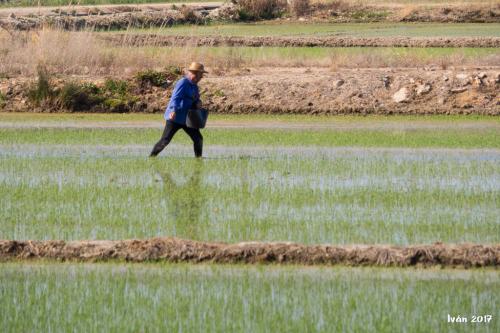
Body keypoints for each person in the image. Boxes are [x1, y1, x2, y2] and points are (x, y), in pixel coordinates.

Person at [150, 62, 208, 158]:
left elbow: (196, 98)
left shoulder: (195, 86)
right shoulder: (183, 82)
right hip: (175, 117)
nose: (201, 77)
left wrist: (198, 102)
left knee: (198, 138)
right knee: (165, 140)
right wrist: (173, 111)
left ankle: (199, 158)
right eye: (200, 74)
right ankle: (151, 157)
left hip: (187, 119)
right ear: (194, 73)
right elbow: (175, 98)